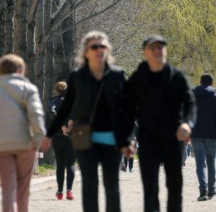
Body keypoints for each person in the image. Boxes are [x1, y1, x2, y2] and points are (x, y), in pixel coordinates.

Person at [41, 31, 128, 212]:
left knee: (112, 186)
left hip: (112, 138)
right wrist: (50, 134)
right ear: (86, 51)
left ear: (108, 49)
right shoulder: (77, 76)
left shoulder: (117, 75)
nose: (99, 50)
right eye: (94, 46)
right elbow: (67, 108)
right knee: (89, 184)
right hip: (83, 136)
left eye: (102, 46)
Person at [123, 35, 196, 212]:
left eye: (161, 47)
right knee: (150, 190)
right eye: (153, 48)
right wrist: (128, 138)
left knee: (175, 188)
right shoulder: (138, 78)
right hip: (148, 140)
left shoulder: (176, 77)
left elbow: (190, 103)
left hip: (173, 139)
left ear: (165, 51)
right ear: (145, 52)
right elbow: (127, 110)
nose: (157, 51)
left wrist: (187, 124)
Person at [0, 54, 46, 212]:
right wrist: (38, 138)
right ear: (20, 70)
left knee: (8, 188)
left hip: (2, 146)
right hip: (25, 144)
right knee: (23, 189)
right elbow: (36, 115)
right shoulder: (29, 88)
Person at [191, 74, 216, 201]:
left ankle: (203, 190)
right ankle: (211, 188)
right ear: (212, 83)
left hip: (196, 135)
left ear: (200, 82)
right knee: (211, 162)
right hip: (212, 136)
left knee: (200, 164)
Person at [47, 81, 76, 200]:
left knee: (60, 164)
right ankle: (69, 191)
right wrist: (71, 121)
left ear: (57, 90)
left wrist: (61, 126)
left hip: (58, 137)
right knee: (71, 164)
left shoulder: (53, 102)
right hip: (72, 137)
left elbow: (52, 113)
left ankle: (59, 191)